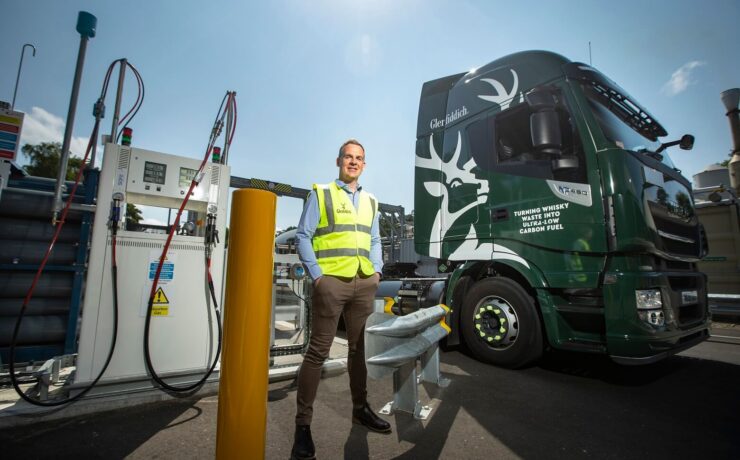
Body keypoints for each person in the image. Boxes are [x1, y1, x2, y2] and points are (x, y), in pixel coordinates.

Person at [291, 139, 390, 460]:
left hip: (364, 283)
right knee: (318, 351)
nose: (353, 162)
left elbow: (375, 238)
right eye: (348, 157)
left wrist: (377, 271)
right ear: (338, 161)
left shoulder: (371, 200)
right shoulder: (321, 193)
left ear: (364, 164)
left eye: (359, 158)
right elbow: (303, 235)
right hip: (331, 282)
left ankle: (360, 409)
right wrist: (318, 277)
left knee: (359, 350)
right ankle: (302, 427)